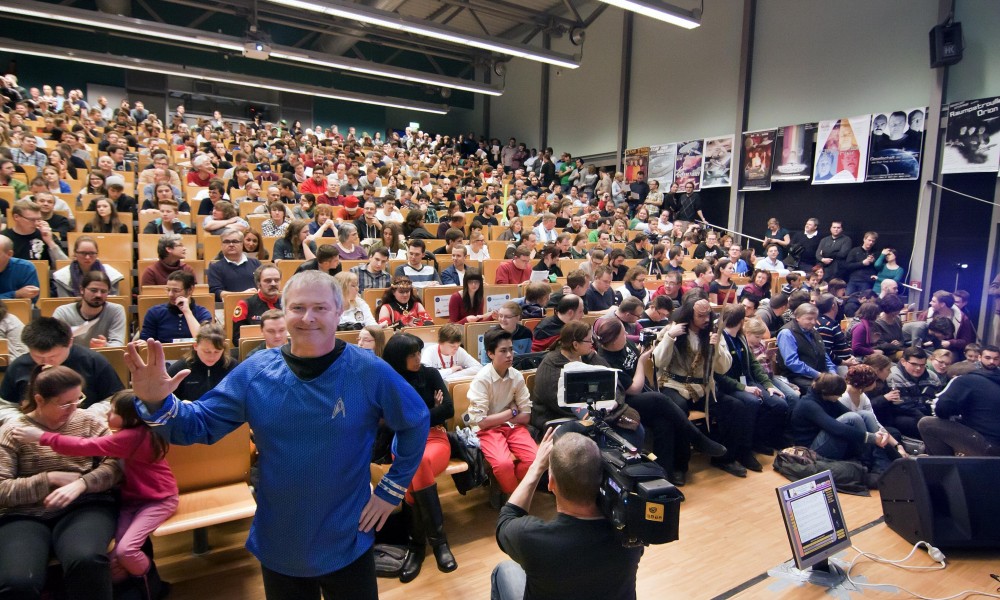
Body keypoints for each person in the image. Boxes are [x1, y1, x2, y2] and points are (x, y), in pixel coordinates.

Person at [125, 270, 430, 598]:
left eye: (320, 308)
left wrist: (391, 490)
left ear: (339, 311)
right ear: (284, 313)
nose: (308, 317)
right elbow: (196, 425)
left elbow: (416, 420)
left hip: (348, 536)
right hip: (281, 538)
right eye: (298, 308)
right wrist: (156, 402)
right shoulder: (255, 372)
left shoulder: (369, 370)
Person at [11, 388, 178, 596]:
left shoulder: (131, 438)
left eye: (113, 411)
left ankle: (150, 586)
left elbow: (85, 446)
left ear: (131, 417)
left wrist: (42, 437)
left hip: (158, 501)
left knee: (126, 552)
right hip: (133, 501)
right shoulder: (131, 433)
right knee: (115, 556)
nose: (107, 415)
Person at [0, 366, 122, 599]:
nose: (74, 408)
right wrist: (49, 479)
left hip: (84, 505)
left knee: (87, 560)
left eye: (78, 399)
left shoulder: (88, 421)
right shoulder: (13, 431)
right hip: (25, 515)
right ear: (39, 400)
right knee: (17, 581)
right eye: (65, 403)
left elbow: (115, 465)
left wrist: (84, 483)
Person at [492, 429, 642, 600]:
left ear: (551, 483)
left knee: (504, 570)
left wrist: (536, 468)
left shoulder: (532, 539)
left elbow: (507, 518)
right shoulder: (631, 533)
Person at [381, 333, 457, 582]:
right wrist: (428, 411)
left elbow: (448, 409)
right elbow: (388, 422)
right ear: (397, 358)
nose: (418, 358)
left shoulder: (430, 374)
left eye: (419, 353)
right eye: (412, 355)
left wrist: (416, 416)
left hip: (435, 439)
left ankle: (418, 547)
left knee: (419, 462)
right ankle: (437, 545)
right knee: (416, 464)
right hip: (402, 442)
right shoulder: (388, 381)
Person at [466, 327, 538, 498]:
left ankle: (508, 486)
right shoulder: (482, 379)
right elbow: (481, 422)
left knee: (535, 460)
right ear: (490, 354)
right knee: (503, 464)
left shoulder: (516, 376)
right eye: (503, 351)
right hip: (488, 431)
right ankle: (513, 498)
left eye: (511, 350)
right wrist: (512, 412)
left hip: (513, 427)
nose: (510, 355)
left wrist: (509, 416)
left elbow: (526, 416)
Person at [716, 304, 789, 467]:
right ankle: (744, 450)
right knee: (751, 402)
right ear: (742, 321)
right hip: (730, 386)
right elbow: (718, 375)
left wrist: (768, 384)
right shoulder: (720, 340)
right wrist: (744, 388)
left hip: (747, 381)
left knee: (779, 404)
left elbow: (755, 365)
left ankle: (757, 439)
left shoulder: (740, 337)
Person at [0, 316, 124, 406]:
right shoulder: (18, 366)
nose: (45, 362)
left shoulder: (93, 361)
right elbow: (6, 405)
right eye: (38, 357)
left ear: (70, 342)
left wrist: (88, 414)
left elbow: (116, 399)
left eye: (53, 356)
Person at [790, 374, 891, 479]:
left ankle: (880, 464)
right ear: (829, 392)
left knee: (866, 415)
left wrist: (878, 434)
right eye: (838, 394)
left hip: (825, 441)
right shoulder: (808, 404)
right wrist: (871, 438)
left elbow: (851, 413)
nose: (840, 397)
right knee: (852, 418)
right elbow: (834, 427)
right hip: (812, 450)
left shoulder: (826, 398)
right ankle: (866, 463)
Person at [918, 345, 1000, 456]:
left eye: (995, 358)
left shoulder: (966, 380)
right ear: (980, 357)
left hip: (988, 445)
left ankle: (944, 468)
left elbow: (941, 408)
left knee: (926, 423)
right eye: (988, 358)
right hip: (991, 441)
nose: (991, 362)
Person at [52, 271, 127, 348]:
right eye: (93, 290)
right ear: (82, 290)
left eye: (103, 291)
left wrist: (105, 346)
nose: (98, 295)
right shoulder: (63, 312)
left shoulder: (116, 311)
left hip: (103, 357)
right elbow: (53, 342)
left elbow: (118, 344)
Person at [879, 346, 942, 439]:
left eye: (922, 365)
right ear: (903, 362)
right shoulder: (893, 376)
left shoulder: (932, 376)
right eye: (914, 364)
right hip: (904, 415)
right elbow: (901, 406)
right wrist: (925, 418)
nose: (918, 368)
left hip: (927, 412)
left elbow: (938, 397)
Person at [165, 323, 240, 401]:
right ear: (195, 346)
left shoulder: (233, 367)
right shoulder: (179, 369)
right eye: (207, 352)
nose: (212, 357)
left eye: (217, 352)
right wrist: (181, 406)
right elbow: (164, 402)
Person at [775, 303, 837, 391]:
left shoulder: (813, 331)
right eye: (809, 319)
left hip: (819, 375)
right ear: (797, 317)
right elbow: (792, 363)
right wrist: (818, 374)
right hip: (797, 376)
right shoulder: (786, 333)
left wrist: (833, 373)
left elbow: (824, 355)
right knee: (827, 390)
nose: (814, 322)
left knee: (839, 385)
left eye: (815, 319)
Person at [140, 270, 213, 343]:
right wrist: (142, 342)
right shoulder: (154, 312)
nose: (170, 294)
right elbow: (146, 340)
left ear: (190, 290)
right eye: (168, 290)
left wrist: (187, 311)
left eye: (176, 291)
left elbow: (203, 340)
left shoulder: (202, 313)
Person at [232, 263, 283, 345]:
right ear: (258, 284)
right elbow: (237, 339)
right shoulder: (245, 305)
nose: (273, 284)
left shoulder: (288, 304)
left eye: (276, 280)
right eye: (268, 281)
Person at [0, 235, 40, 301]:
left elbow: (31, 299)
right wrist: (16, 294)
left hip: (20, 310)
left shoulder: (26, 268)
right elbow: (21, 296)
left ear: (9, 254)